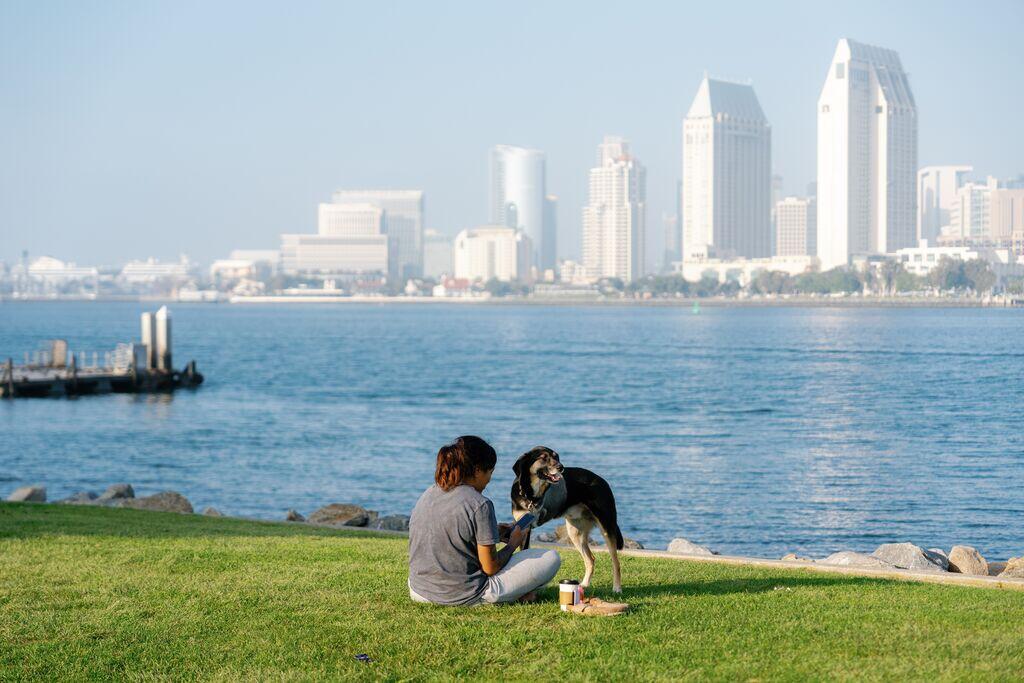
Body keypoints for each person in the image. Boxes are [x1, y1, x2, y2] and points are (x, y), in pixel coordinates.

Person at [408, 435, 561, 606]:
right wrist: (512, 543)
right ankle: (514, 595)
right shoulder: (480, 504)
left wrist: (493, 530)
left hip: (418, 590)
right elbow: (490, 568)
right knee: (551, 557)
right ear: (477, 471)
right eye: (490, 472)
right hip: (463, 595)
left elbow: (449, 530)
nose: (489, 479)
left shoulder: (430, 492)